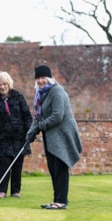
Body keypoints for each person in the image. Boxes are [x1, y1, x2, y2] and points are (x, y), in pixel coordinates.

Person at [26, 65, 83, 209]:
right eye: (38, 78)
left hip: (63, 134)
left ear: (49, 78)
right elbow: (38, 117)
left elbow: (57, 116)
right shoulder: (40, 93)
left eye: (43, 77)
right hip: (51, 134)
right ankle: (57, 200)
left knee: (60, 166)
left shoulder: (57, 91)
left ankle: (61, 201)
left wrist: (40, 127)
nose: (40, 80)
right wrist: (31, 132)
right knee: (53, 167)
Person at [0, 71, 32, 198]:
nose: (2, 87)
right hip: (3, 136)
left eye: (4, 84)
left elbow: (27, 115)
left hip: (20, 135)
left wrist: (30, 130)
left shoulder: (18, 96)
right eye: (0, 84)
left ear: (9, 84)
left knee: (17, 164)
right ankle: (2, 191)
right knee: (4, 162)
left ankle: (15, 191)